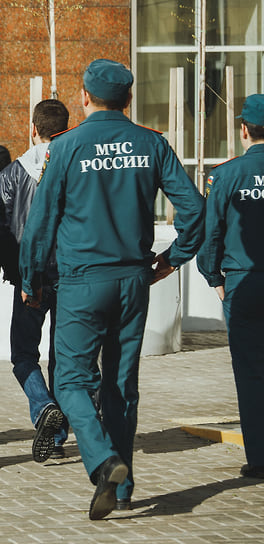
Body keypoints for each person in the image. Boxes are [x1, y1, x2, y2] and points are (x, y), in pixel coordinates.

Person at [19, 59, 205, 520]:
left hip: (82, 280)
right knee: (122, 385)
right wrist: (172, 259)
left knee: (70, 380)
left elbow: (39, 225)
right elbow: (197, 210)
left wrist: (31, 280)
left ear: (84, 97)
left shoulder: (65, 148)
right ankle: (123, 491)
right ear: (129, 99)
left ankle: (104, 461)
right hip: (133, 279)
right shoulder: (152, 142)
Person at [0, 99, 70, 463]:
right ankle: (58, 433)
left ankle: (43, 406)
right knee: (65, 357)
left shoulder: (11, 175)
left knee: (23, 353)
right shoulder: (76, 167)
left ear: (32, 129)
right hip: (71, 275)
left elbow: (0, 234)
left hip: (28, 280)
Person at [196, 93, 264, 481]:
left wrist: (214, 278)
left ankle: (259, 457)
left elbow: (211, 235)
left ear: (243, 130)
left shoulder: (223, 175)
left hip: (244, 284)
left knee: (252, 373)